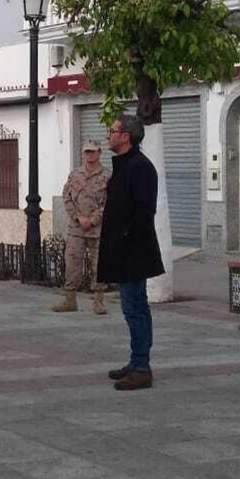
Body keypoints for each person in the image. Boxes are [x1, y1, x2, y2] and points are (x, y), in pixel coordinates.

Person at [97, 114, 164, 391]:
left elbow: (144, 211)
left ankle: (141, 367)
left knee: (134, 309)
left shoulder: (140, 167)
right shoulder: (124, 165)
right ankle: (137, 360)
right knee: (137, 307)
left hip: (134, 251)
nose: (108, 135)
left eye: (112, 131)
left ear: (125, 136)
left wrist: (124, 238)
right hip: (124, 248)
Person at [55, 139, 109, 315]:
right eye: (87, 152)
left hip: (98, 229)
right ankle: (70, 300)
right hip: (76, 229)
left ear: (100, 152)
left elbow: (110, 202)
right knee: (72, 263)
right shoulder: (75, 174)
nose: (89, 155)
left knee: (99, 266)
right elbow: (67, 197)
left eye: (93, 151)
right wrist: (78, 217)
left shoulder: (108, 176)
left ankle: (98, 301)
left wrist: (93, 220)